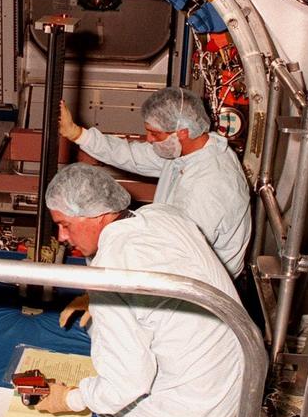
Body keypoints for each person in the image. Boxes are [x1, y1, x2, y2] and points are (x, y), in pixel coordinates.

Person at [35, 163, 249, 417]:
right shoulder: (162, 215)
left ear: (98, 216)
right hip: (241, 372)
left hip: (198, 404)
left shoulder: (113, 270)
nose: (62, 237)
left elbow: (126, 384)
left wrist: (69, 398)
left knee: (109, 409)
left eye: (65, 224)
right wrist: (97, 299)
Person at [58, 87, 251, 277]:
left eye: (155, 134)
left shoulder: (209, 185)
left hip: (198, 281)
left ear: (182, 132)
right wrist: (77, 134)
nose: (149, 139)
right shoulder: (191, 150)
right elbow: (131, 154)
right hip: (173, 259)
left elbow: (178, 255)